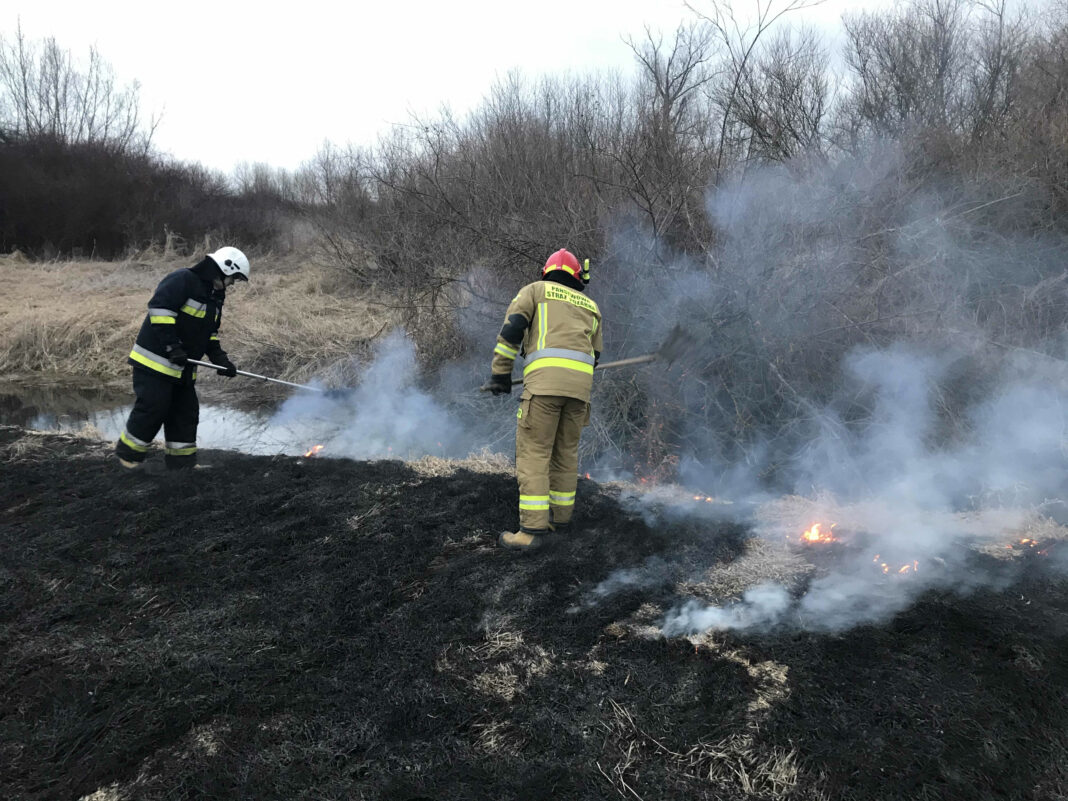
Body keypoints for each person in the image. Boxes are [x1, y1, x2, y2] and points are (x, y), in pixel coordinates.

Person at [483, 248, 603, 550]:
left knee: (534, 454)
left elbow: (511, 332)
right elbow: (595, 355)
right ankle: (559, 520)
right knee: (565, 453)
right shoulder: (591, 305)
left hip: (544, 390)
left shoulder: (535, 291)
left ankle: (531, 532)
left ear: (547, 272)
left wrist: (500, 375)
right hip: (579, 393)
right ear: (578, 276)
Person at [114, 247, 249, 471]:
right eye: (233, 278)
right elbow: (160, 310)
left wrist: (221, 360)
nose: (233, 284)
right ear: (224, 269)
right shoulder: (183, 279)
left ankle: (182, 467)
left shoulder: (215, 297)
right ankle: (128, 459)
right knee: (153, 408)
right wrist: (172, 347)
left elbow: (209, 333)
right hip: (154, 364)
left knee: (185, 414)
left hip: (183, 369)